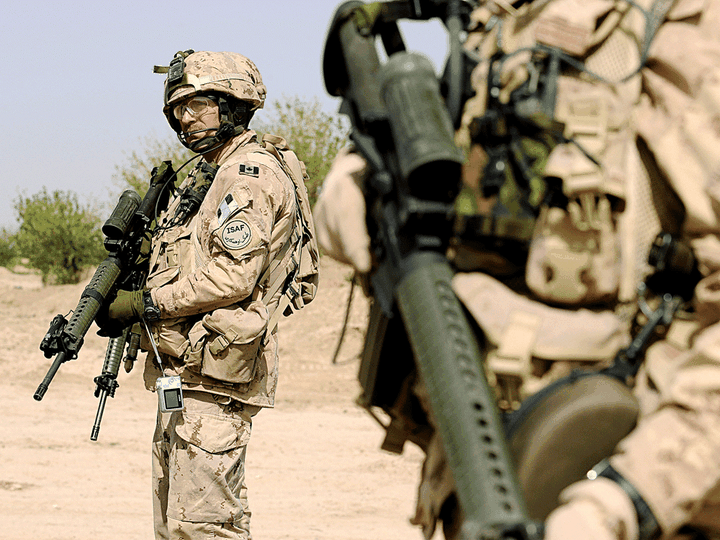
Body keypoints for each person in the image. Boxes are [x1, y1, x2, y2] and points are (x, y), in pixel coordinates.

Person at [316, 1, 720, 539]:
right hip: (485, 479)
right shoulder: (498, 25)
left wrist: (626, 499)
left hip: (638, 495)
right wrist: (359, 173)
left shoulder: (679, 28)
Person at [100, 49, 312, 540]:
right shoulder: (209, 175)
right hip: (188, 375)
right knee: (176, 527)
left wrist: (147, 304)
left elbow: (232, 278)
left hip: (216, 380)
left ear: (234, 104)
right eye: (178, 107)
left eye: (198, 104)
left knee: (206, 529)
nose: (184, 117)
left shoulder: (248, 175)